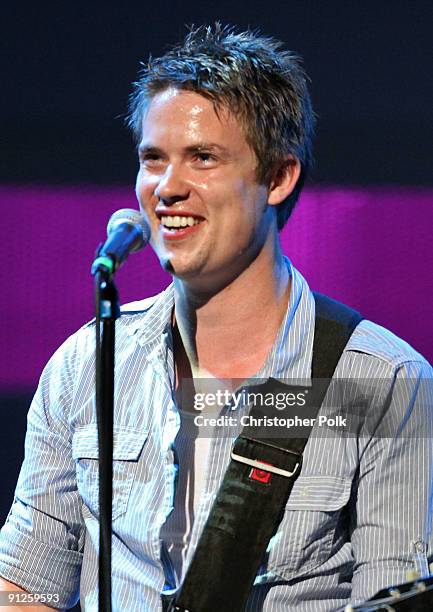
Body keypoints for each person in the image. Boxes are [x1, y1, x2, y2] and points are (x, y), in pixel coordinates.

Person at [0, 24, 432, 612]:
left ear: (278, 177)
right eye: (153, 159)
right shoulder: (84, 365)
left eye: (202, 158)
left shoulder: (388, 382)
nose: (167, 188)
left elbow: (395, 601)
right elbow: (26, 589)